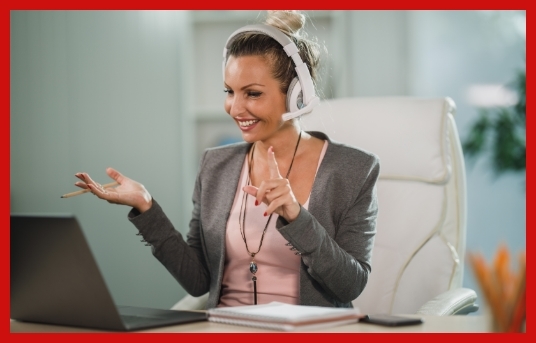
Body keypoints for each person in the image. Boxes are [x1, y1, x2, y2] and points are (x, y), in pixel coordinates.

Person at [74, 10, 380, 309]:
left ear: (296, 95)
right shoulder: (215, 165)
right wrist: (146, 207)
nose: (235, 108)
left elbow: (349, 286)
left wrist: (297, 217)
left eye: (253, 93)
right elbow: (198, 281)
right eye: (229, 91)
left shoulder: (353, 169)